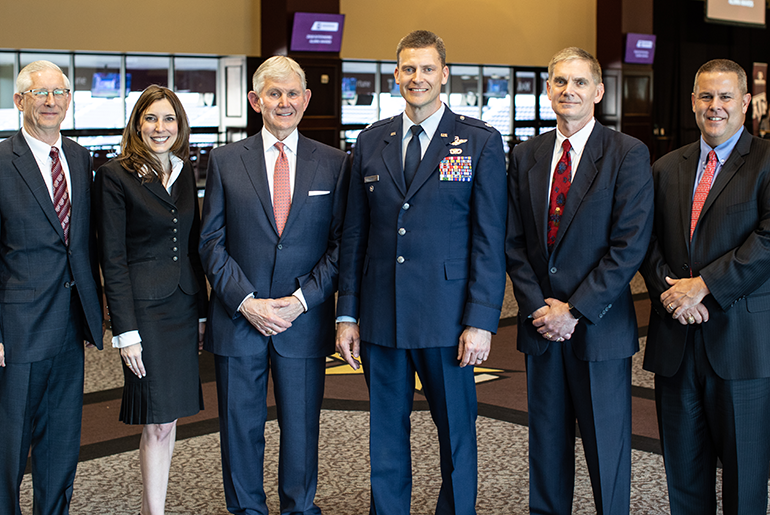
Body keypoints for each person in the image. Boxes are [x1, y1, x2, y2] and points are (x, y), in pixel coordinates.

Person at [335, 30, 507, 514]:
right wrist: (347, 314)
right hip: (381, 316)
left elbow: (489, 240)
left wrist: (481, 320)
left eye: (427, 69)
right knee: (386, 438)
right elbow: (355, 235)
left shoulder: (479, 142)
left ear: (444, 75)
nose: (418, 78)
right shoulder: (370, 141)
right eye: (408, 69)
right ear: (396, 75)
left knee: (455, 436)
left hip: (449, 320)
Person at [198, 56, 350, 515]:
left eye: (292, 94)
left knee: (301, 428)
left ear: (306, 100)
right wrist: (247, 302)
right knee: (240, 427)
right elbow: (210, 242)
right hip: (239, 319)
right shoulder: (225, 161)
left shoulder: (336, 164)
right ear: (255, 100)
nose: (283, 103)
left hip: (302, 320)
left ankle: (299, 508)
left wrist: (302, 300)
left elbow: (343, 245)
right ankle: (246, 509)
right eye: (273, 93)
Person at [506, 47, 654, 514]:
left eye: (579, 82)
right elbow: (512, 242)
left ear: (599, 91)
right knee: (546, 451)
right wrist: (537, 308)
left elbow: (629, 245)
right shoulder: (525, 154)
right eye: (560, 82)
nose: (569, 91)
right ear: (548, 88)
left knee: (606, 451)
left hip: (598, 328)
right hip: (540, 327)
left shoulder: (627, 153)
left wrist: (573, 310)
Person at [641, 59, 770, 515]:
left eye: (725, 97)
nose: (715, 106)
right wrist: (674, 294)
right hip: (676, 341)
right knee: (684, 473)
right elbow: (645, 241)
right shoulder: (665, 168)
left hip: (741, 345)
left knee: (745, 478)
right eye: (706, 97)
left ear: (745, 102)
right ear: (693, 101)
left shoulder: (767, 161)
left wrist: (705, 287)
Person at [92, 85, 207, 514]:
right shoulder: (115, 175)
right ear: (137, 123)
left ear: (180, 125)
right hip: (144, 314)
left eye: (169, 119)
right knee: (156, 419)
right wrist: (125, 330)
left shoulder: (182, 169)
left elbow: (191, 248)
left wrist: (200, 314)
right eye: (151, 118)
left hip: (181, 307)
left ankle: (149, 508)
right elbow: (113, 258)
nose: (161, 128)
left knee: (169, 417)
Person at [0, 60, 104, 514]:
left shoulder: (80, 159)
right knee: (9, 439)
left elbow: (83, 243)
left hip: (71, 321)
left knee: (62, 437)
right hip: (17, 327)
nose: (50, 101)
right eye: (39, 93)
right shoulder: (2, 161)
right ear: (19, 100)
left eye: (59, 93)